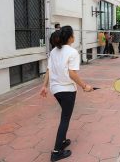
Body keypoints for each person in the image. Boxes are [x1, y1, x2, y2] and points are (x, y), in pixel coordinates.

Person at [40, 26, 94, 162]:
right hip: (67, 90)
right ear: (69, 37)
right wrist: (85, 86)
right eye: (73, 34)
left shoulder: (54, 51)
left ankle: (62, 141)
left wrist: (44, 86)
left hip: (55, 90)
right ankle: (57, 152)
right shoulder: (72, 52)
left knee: (64, 115)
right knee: (65, 119)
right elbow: (72, 73)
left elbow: (48, 69)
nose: (74, 36)